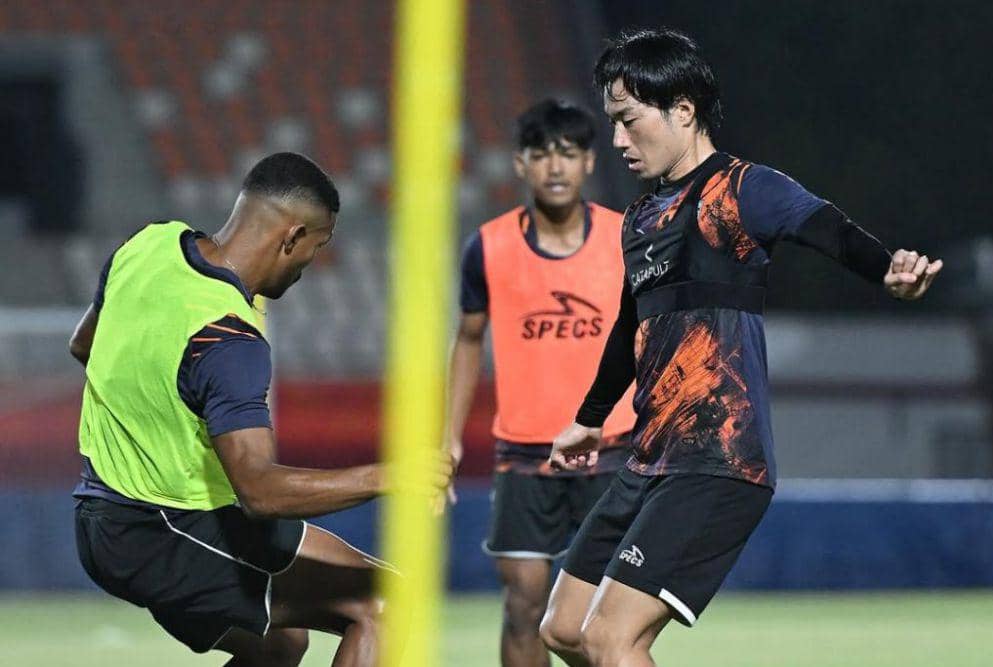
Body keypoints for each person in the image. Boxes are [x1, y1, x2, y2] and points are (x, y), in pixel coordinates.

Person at [537, 29, 943, 667]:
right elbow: (628, 329)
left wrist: (887, 268)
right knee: (562, 629)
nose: (616, 141)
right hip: (652, 457)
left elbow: (826, 228)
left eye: (627, 121)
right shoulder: (642, 219)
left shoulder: (743, 188)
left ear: (682, 111)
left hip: (718, 458)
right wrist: (589, 420)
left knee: (610, 638)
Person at [70, 152, 452, 667]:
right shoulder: (228, 340)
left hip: (105, 512)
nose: (308, 267)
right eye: (316, 250)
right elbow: (260, 491)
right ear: (291, 237)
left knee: (281, 643)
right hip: (159, 530)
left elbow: (85, 345)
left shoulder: (149, 244)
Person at [442, 99, 636, 666]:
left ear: (589, 163)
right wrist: (449, 437)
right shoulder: (489, 246)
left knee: (601, 615)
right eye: (542, 155)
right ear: (520, 165)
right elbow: (469, 339)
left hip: (612, 448)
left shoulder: (626, 240)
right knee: (525, 604)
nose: (555, 167)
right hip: (525, 454)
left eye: (568, 154)